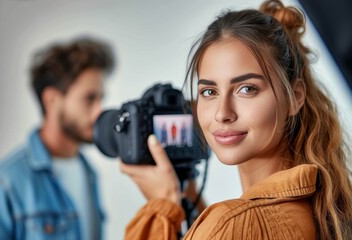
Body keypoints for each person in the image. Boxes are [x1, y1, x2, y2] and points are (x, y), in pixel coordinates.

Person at [120, 0, 352, 239]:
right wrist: (188, 194)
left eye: (246, 89)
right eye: (209, 92)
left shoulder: (234, 224)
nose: (222, 113)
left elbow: (235, 225)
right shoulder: (321, 208)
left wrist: (162, 207)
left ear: (294, 97)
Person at [0, 37, 115, 239]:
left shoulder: (89, 173)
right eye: (89, 99)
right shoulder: (3, 184)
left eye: (101, 99)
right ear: (52, 100)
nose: (99, 112)